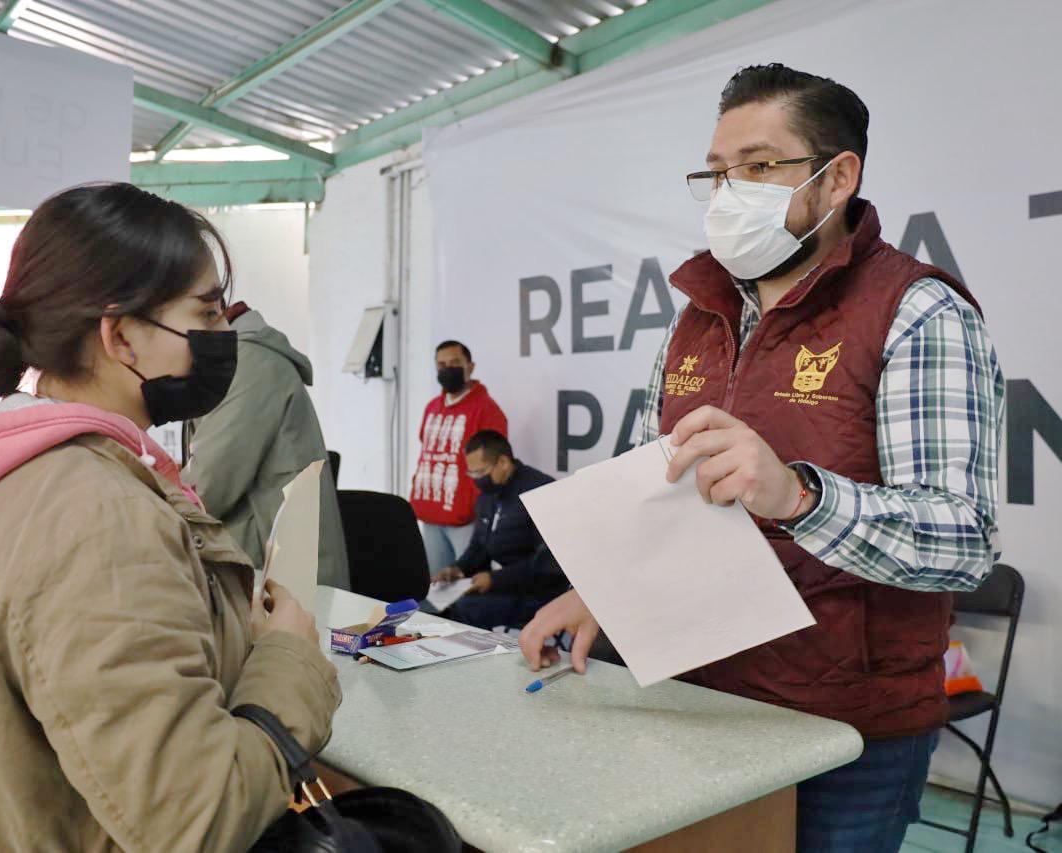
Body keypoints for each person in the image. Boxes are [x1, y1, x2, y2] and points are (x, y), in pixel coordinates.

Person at [520, 64, 1003, 853]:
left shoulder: (916, 310)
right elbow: (662, 491)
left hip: (846, 731)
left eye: (757, 166)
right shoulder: (699, 317)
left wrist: (800, 496)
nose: (728, 192)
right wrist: (601, 591)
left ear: (837, 176)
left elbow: (964, 542)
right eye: (715, 173)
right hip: (699, 700)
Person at [0, 183, 339, 852]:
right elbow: (197, 813)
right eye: (207, 312)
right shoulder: (96, 515)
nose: (226, 335)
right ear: (121, 334)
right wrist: (289, 655)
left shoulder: (36, 467)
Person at [183, 301, 350, 590]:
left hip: (275, 581)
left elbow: (206, 490)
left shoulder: (247, 363)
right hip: (262, 569)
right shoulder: (233, 361)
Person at [433, 431, 567, 631]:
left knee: (467, 609)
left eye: (480, 472)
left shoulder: (540, 490)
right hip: (508, 585)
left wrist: (495, 579)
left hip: (540, 591)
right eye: (471, 474)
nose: (476, 480)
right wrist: (458, 569)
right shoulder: (489, 495)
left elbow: (549, 562)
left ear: (503, 462)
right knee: (441, 605)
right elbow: (479, 546)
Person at [410, 340, 508, 574]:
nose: (448, 369)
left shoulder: (487, 409)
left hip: (467, 520)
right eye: (441, 364)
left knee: (465, 590)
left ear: (470, 366)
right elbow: (426, 450)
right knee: (434, 590)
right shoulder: (432, 407)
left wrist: (479, 509)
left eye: (455, 363)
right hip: (431, 514)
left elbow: (494, 465)